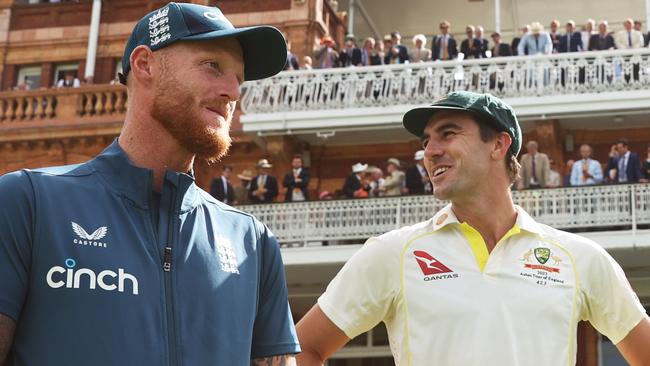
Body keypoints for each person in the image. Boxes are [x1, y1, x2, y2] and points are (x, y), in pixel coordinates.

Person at [0, 3, 300, 365]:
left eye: (239, 77)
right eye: (213, 66)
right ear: (145, 65)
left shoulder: (253, 242)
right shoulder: (26, 203)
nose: (233, 91)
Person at [295, 91, 650, 365]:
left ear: (498, 144)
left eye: (447, 134)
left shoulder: (578, 257)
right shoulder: (391, 252)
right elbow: (304, 348)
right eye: (426, 142)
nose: (429, 152)